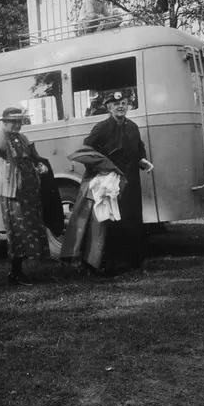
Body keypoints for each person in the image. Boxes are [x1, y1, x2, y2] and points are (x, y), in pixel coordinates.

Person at [61, 91, 153, 273]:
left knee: (131, 219)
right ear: (109, 108)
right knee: (110, 222)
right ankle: (110, 265)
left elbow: (139, 148)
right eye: (116, 104)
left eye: (123, 103)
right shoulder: (101, 128)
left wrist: (143, 160)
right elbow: (87, 150)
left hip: (131, 182)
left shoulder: (133, 127)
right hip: (110, 184)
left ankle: (132, 262)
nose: (120, 107)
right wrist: (101, 169)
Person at [0, 107, 50, 285]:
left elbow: (34, 157)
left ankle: (22, 270)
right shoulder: (0, 139)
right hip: (13, 194)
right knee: (17, 232)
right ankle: (16, 272)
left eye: (20, 121)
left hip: (29, 191)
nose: (17, 125)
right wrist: (2, 129)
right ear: (4, 122)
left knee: (32, 228)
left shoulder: (23, 138)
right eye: (13, 122)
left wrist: (40, 165)